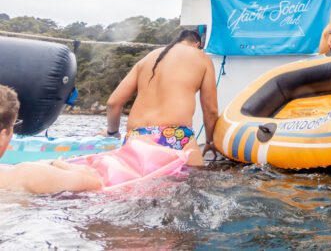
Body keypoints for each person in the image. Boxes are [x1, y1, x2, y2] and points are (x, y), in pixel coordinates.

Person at [104, 30, 217, 167]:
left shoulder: (146, 58)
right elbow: (210, 109)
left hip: (136, 137)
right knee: (194, 179)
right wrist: (210, 142)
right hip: (175, 135)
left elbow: (113, 103)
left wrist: (113, 133)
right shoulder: (201, 57)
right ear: (197, 44)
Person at [0, 85, 102, 193]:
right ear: (2, 136)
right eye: (14, 125)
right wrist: (55, 163)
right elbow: (94, 183)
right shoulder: (26, 175)